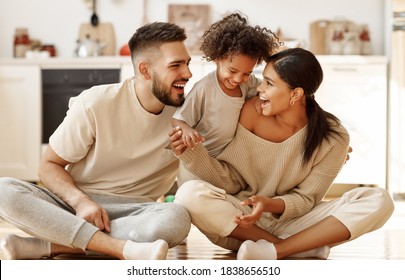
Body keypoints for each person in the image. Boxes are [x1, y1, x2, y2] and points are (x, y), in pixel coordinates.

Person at [169, 48, 394, 260]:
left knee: (379, 199)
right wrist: (192, 154)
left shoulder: (334, 137)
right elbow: (231, 180)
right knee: (189, 194)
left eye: (269, 83)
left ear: (295, 94)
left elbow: (306, 199)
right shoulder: (251, 112)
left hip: (295, 223)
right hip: (240, 224)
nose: (259, 89)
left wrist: (269, 204)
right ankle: (295, 249)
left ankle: (278, 249)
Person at [0, 22, 192, 260]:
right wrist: (81, 202)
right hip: (75, 206)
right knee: (3, 190)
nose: (187, 74)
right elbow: (48, 166)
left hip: (137, 211)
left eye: (187, 63)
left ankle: (50, 245)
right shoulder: (96, 103)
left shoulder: (189, 114)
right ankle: (121, 248)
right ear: (145, 70)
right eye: (176, 65)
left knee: (176, 219)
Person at [171, 12, 279, 186]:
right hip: (197, 162)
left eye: (247, 73)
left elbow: (264, 89)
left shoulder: (247, 83)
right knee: (195, 197)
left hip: (225, 161)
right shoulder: (204, 88)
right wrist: (186, 130)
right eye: (232, 71)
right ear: (217, 58)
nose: (238, 79)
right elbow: (178, 119)